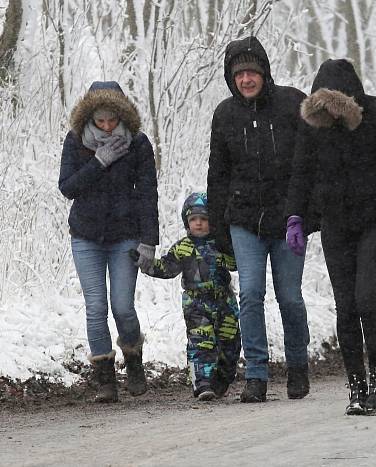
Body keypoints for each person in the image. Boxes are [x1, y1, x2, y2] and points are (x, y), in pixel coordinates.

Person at [286, 59, 376, 415]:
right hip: (336, 225)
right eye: (321, 106)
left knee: (366, 299)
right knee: (345, 306)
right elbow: (301, 174)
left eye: (334, 105)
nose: (329, 113)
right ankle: (357, 386)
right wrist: (294, 218)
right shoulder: (313, 128)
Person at [207, 36, 311, 403]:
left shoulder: (292, 104)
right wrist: (220, 230)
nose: (246, 79)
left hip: (288, 221)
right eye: (239, 74)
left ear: (264, 73)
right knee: (251, 295)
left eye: (252, 72)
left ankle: (298, 366)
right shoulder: (224, 114)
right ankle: (256, 374)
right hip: (243, 221)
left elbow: (309, 163)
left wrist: (308, 216)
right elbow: (217, 175)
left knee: (290, 298)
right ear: (231, 78)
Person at [58, 81, 158, 402]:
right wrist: (97, 162)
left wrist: (149, 241)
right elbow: (68, 187)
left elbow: (147, 194)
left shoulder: (138, 144)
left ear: (121, 116)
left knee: (123, 307)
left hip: (124, 236)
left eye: (111, 120)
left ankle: (133, 358)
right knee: (95, 308)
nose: (106, 126)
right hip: (86, 236)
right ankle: (105, 380)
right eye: (99, 121)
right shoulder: (75, 143)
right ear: (89, 117)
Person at [136, 192, 240, 401]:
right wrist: (145, 263)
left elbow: (235, 264)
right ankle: (202, 383)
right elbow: (166, 268)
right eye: (194, 220)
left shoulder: (220, 244)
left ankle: (222, 378)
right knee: (201, 342)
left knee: (230, 343)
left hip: (224, 302)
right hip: (196, 303)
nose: (199, 224)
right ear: (187, 223)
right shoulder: (183, 248)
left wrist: (229, 247)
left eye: (204, 219)